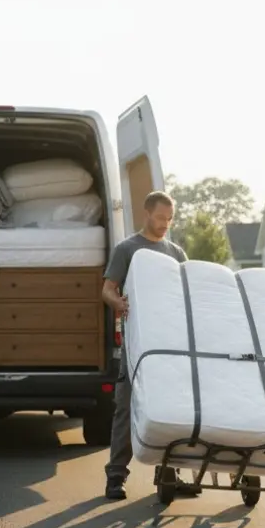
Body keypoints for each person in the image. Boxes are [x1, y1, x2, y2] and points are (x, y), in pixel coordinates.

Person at [99, 191, 188, 500]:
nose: (165, 224)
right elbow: (107, 289)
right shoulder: (128, 249)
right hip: (138, 345)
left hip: (172, 345)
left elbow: (187, 293)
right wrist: (118, 302)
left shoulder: (176, 252)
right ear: (147, 214)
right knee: (126, 406)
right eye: (160, 217)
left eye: (169, 219)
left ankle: (169, 472)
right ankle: (116, 476)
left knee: (172, 407)